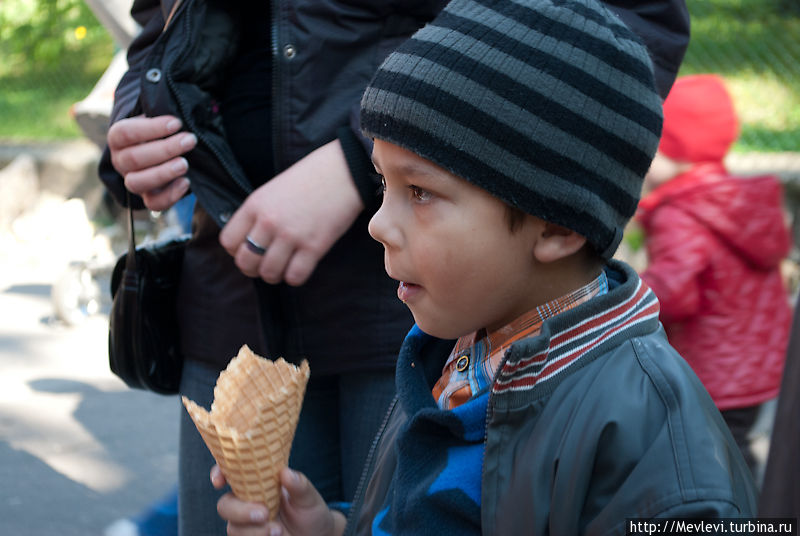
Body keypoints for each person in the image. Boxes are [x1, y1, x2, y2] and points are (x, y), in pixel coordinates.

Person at [212, 1, 756, 534]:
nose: (378, 224)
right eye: (383, 184)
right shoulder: (456, 360)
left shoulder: (653, 443)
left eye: (420, 191)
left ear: (557, 226)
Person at [98, 1, 448, 535]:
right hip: (227, 302)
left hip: (407, 312)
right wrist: (136, 123)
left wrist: (363, 157)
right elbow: (159, 26)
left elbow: (531, 23)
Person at [636, 74, 792, 476]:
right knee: (732, 449)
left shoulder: (681, 214)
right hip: (754, 368)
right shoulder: (735, 203)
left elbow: (674, 293)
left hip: (710, 372)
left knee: (706, 458)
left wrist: (629, 295)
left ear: (675, 152)